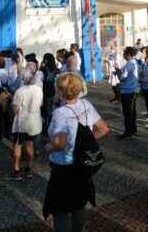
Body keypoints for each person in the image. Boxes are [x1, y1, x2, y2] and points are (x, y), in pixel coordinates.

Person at [43, 72, 109, 231]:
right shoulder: (86, 104)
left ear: (60, 92)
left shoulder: (60, 113)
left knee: (61, 209)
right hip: (82, 163)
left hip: (64, 166)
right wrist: (85, 142)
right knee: (79, 204)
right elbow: (103, 129)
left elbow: (60, 142)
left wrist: (48, 147)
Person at [11, 68, 43, 180]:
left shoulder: (19, 91)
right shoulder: (39, 89)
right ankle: (29, 168)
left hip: (21, 123)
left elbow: (15, 110)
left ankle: (16, 169)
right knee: (30, 145)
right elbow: (40, 104)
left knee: (17, 145)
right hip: (34, 123)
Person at [118, 47, 139, 139]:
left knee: (127, 113)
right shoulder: (135, 62)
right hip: (133, 89)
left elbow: (123, 77)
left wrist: (118, 73)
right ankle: (133, 130)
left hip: (127, 90)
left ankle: (128, 132)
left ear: (129, 55)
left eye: (124, 53)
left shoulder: (129, 64)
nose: (123, 55)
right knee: (132, 112)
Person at [40, 53, 59, 132]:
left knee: (45, 110)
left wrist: (41, 66)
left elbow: (40, 79)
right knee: (51, 109)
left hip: (45, 91)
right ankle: (52, 125)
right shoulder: (56, 69)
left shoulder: (43, 69)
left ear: (46, 59)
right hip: (53, 90)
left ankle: (46, 127)